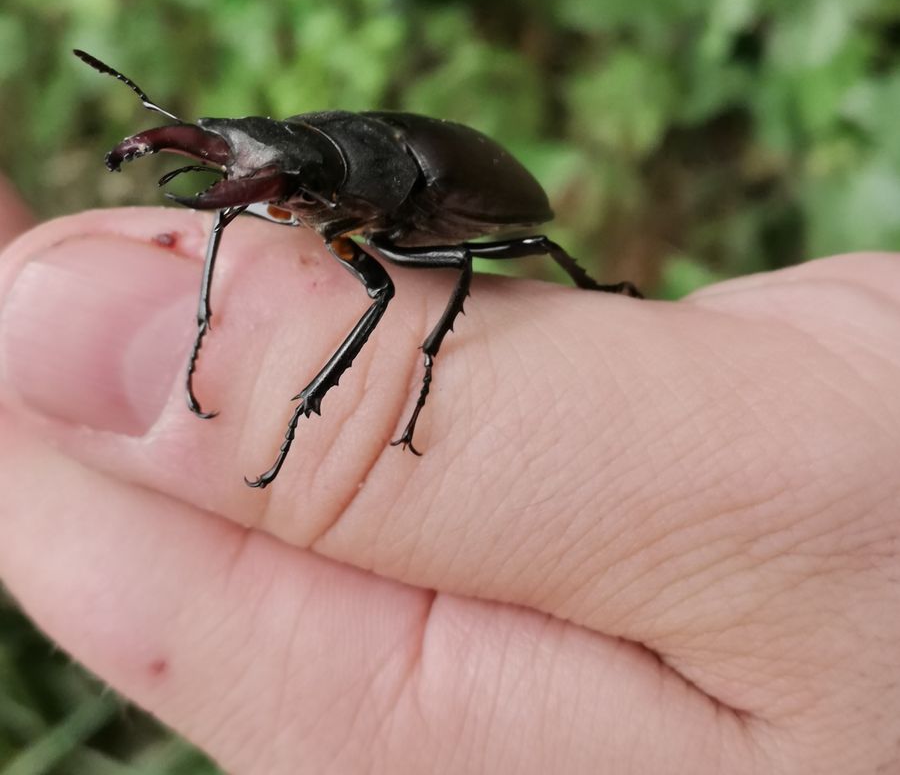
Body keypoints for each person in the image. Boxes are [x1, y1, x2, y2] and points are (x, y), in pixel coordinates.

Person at [0, 186, 898, 774]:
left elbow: (444, 262)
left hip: (434, 204)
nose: (236, 188)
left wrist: (388, 378)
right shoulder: (302, 192)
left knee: (411, 278)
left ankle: (326, 400)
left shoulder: (366, 206)